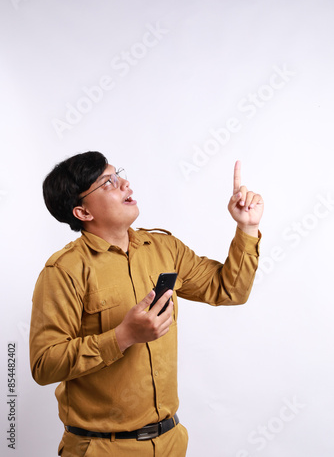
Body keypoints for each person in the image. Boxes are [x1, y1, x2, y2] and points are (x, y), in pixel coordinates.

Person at [29, 151, 263, 457]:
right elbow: (44, 365)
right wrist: (123, 336)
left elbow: (229, 290)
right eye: (108, 183)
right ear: (83, 212)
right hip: (102, 448)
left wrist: (246, 228)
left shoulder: (164, 248)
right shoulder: (64, 271)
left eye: (119, 174)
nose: (125, 183)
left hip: (170, 443)